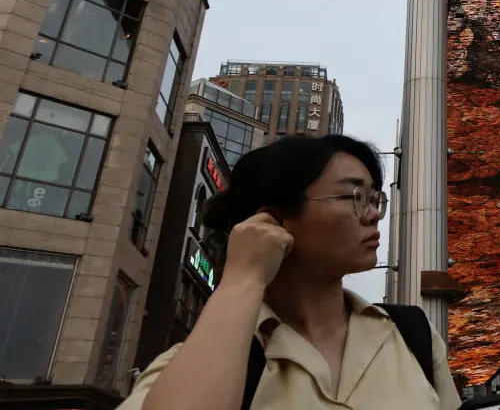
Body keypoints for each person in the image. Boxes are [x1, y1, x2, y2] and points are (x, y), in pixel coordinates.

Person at [120, 134, 461, 410]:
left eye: (374, 199)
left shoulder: (412, 336)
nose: (372, 214)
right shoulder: (202, 363)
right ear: (274, 219)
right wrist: (244, 277)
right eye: (355, 196)